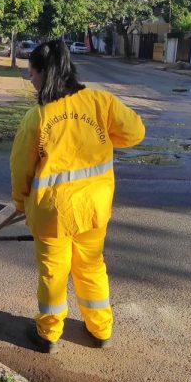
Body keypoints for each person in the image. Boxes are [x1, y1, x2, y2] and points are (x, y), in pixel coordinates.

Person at [10, 40, 145, 353]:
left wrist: (21, 204)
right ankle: (100, 330)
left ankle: (48, 335)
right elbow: (135, 133)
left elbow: (21, 170)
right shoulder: (101, 102)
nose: (31, 80)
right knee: (92, 267)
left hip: (51, 214)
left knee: (53, 275)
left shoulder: (38, 117)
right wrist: (101, 137)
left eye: (31, 74)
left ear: (45, 73)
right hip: (94, 210)